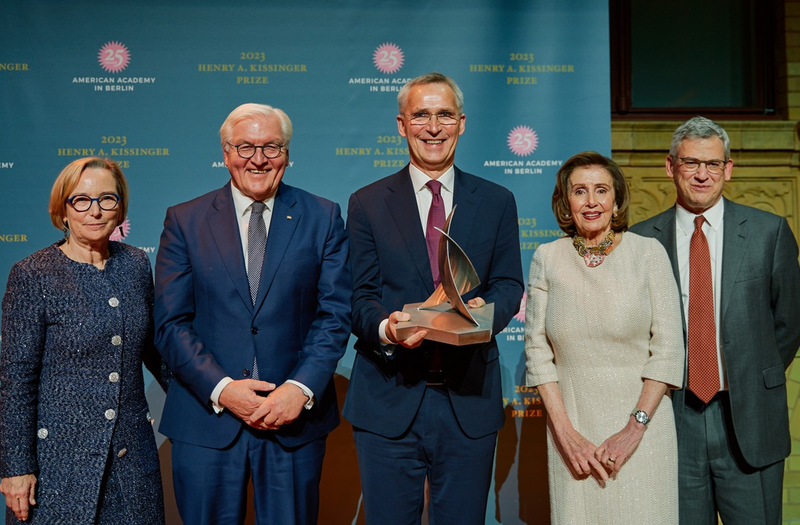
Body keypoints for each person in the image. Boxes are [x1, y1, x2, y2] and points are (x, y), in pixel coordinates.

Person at [154, 103, 351, 525]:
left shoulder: (324, 216)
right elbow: (171, 324)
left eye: (271, 147)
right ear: (225, 154)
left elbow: (335, 314)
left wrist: (299, 389)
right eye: (245, 147)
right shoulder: (185, 221)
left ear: (287, 153)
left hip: (292, 423)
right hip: (207, 420)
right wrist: (223, 388)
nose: (258, 159)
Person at [344, 72, 524, 524]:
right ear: (402, 125)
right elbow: (359, 295)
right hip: (389, 398)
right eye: (421, 115)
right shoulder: (367, 203)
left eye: (444, 115)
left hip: (468, 401)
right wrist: (388, 328)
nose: (433, 126)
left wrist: (487, 313)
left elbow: (508, 285)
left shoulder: (498, 200)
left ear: (461, 123)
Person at [630, 117, 800, 524]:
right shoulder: (639, 241)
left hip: (749, 420)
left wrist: (750, 376)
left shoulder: (769, 232)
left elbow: (789, 323)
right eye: (691, 163)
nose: (702, 174)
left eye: (712, 164)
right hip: (673, 418)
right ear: (670, 167)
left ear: (729, 167)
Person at [0, 157, 168, 525]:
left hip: (131, 464)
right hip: (56, 469)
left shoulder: (137, 264)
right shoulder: (33, 274)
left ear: (120, 207)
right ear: (62, 208)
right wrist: (16, 467)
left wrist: (217, 395)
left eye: (107, 199)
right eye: (81, 200)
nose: (95, 211)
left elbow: (157, 353)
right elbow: (15, 381)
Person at [524, 151, 685, 524]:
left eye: (601, 190)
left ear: (616, 201)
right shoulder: (547, 258)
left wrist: (634, 428)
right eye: (580, 191)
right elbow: (536, 350)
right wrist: (566, 434)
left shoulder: (648, 254)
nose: (591, 201)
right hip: (573, 435)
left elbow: (668, 349)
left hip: (644, 432)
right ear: (566, 202)